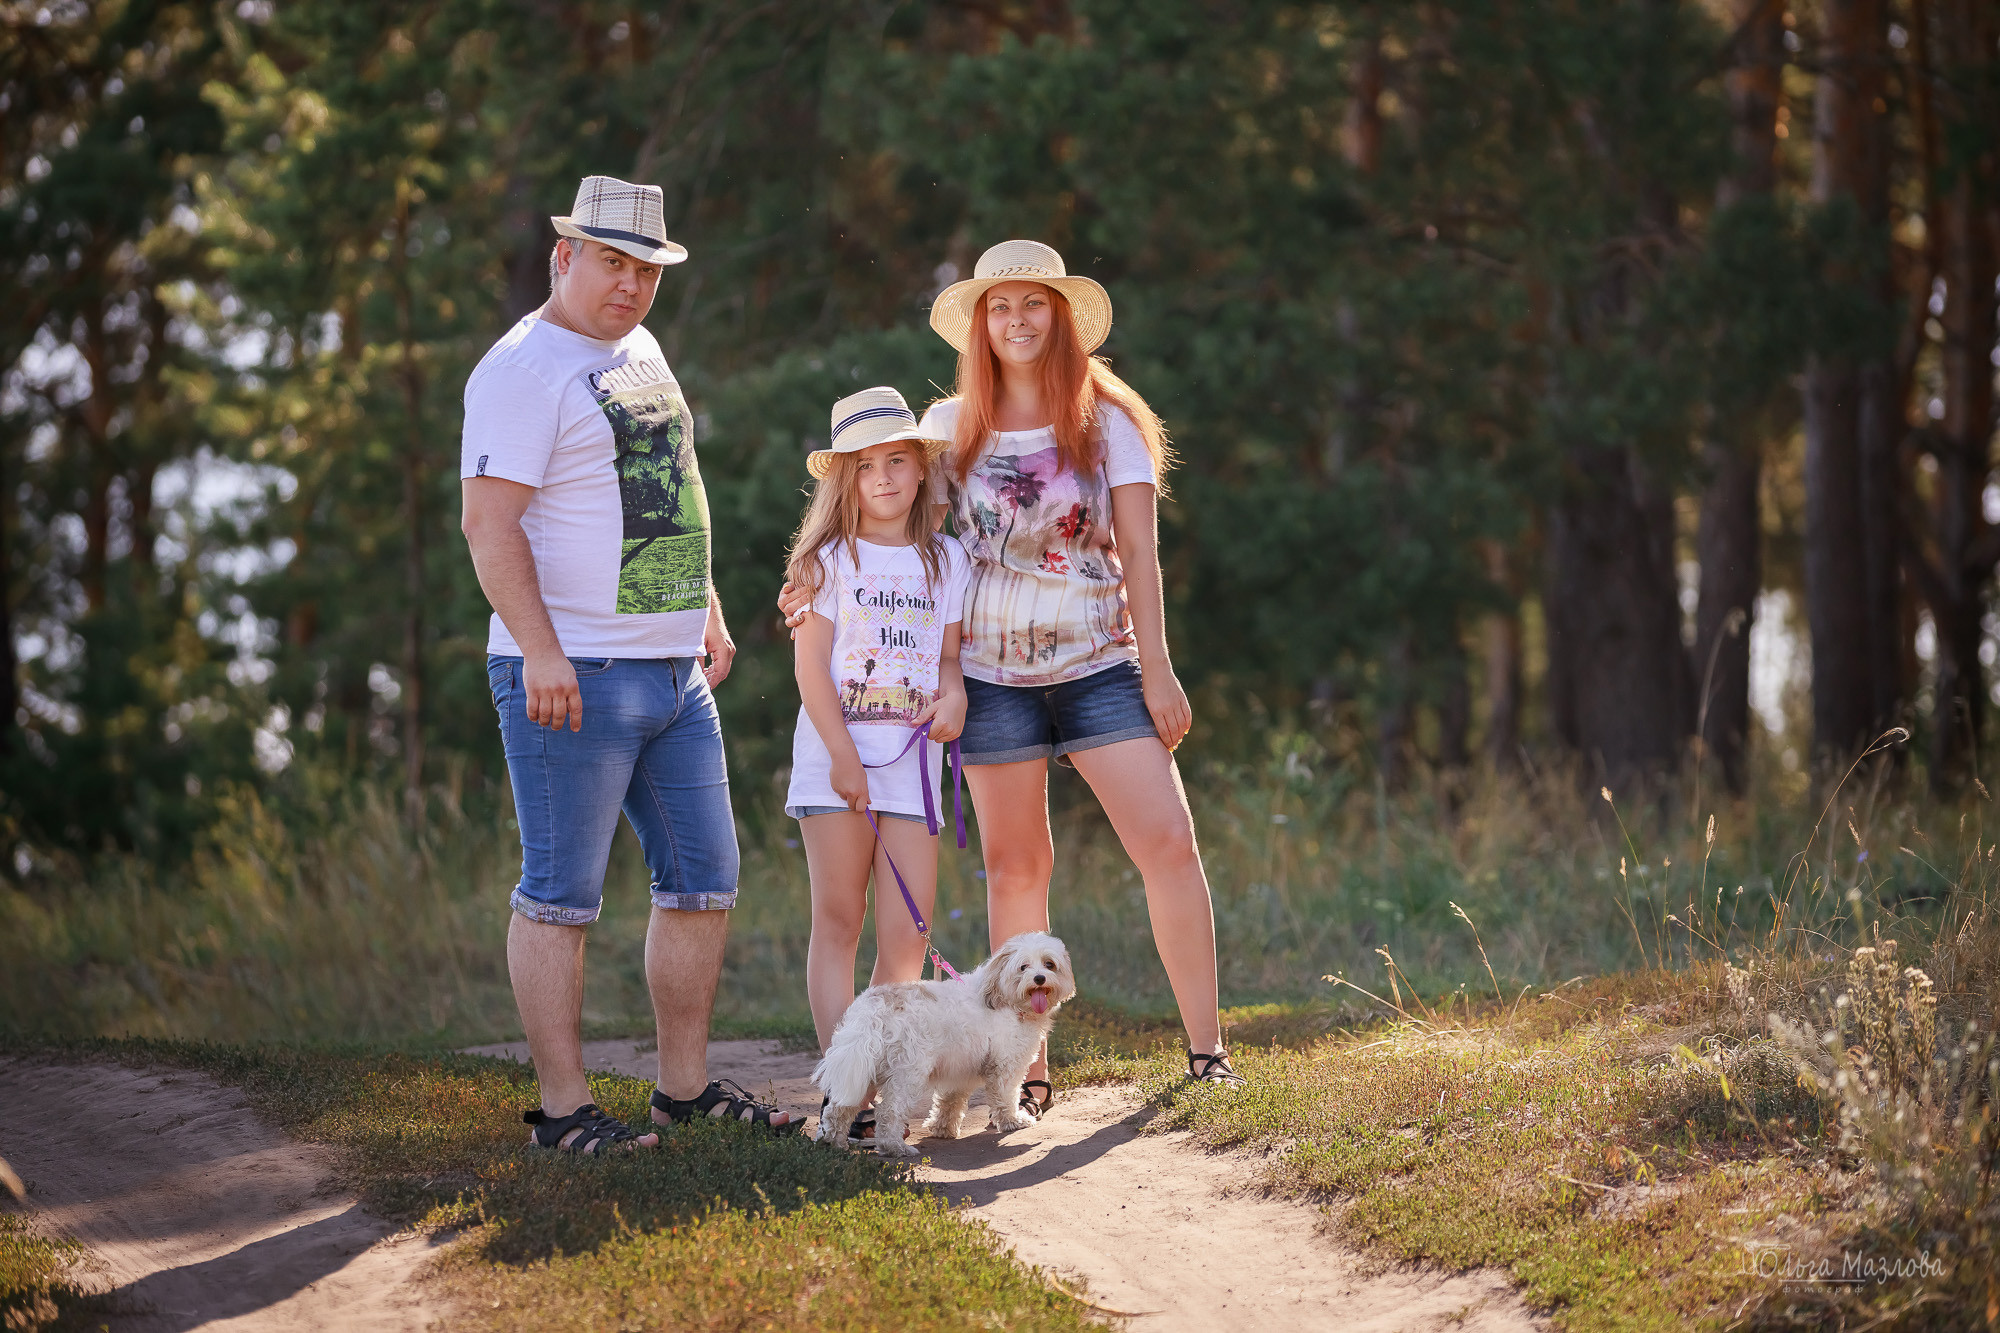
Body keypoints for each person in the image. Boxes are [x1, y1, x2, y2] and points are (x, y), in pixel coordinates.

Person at [780, 239, 1243, 1115]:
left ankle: (1207, 1050)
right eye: (1000, 306)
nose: (1017, 320)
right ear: (980, 325)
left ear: (1060, 317)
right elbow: (887, 515)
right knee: (1016, 866)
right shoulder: (953, 426)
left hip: (1102, 663)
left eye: (1034, 303)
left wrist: (1160, 669)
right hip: (991, 678)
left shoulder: (1110, 422)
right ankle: (1021, 1070)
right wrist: (811, 574)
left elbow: (1141, 550)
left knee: (1169, 843)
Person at [460, 174, 796, 1153]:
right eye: (611, 261)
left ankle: (681, 1091)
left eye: (645, 268)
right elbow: (488, 526)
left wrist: (707, 608)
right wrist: (539, 651)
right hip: (574, 672)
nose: (629, 284)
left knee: (704, 878)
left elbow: (663, 483)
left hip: (672, 671)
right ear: (565, 256)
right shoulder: (520, 371)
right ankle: (561, 1112)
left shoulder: (637, 347)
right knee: (560, 892)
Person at [784, 387, 970, 1143]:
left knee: (907, 935)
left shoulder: (947, 558)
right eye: (867, 467)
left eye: (898, 460)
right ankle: (843, 1087)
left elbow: (950, 658)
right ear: (847, 481)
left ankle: (888, 1077)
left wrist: (953, 692)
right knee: (840, 920)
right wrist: (839, 756)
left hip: (914, 764)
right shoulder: (829, 560)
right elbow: (811, 668)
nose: (886, 477)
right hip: (837, 759)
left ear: (921, 471)